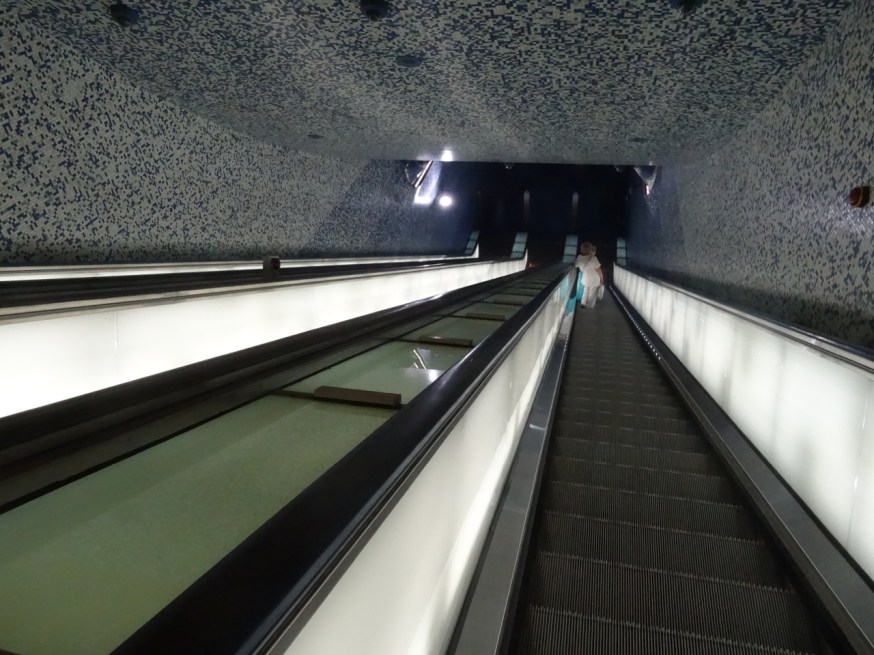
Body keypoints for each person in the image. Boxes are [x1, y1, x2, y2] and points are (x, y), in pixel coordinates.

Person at [575, 242, 604, 308]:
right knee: (592, 294)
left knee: (585, 291)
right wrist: (602, 278)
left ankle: (583, 303)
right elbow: (599, 270)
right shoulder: (594, 258)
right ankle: (590, 306)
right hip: (595, 280)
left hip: (585, 279)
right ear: (591, 250)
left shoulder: (579, 257)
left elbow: (576, 265)